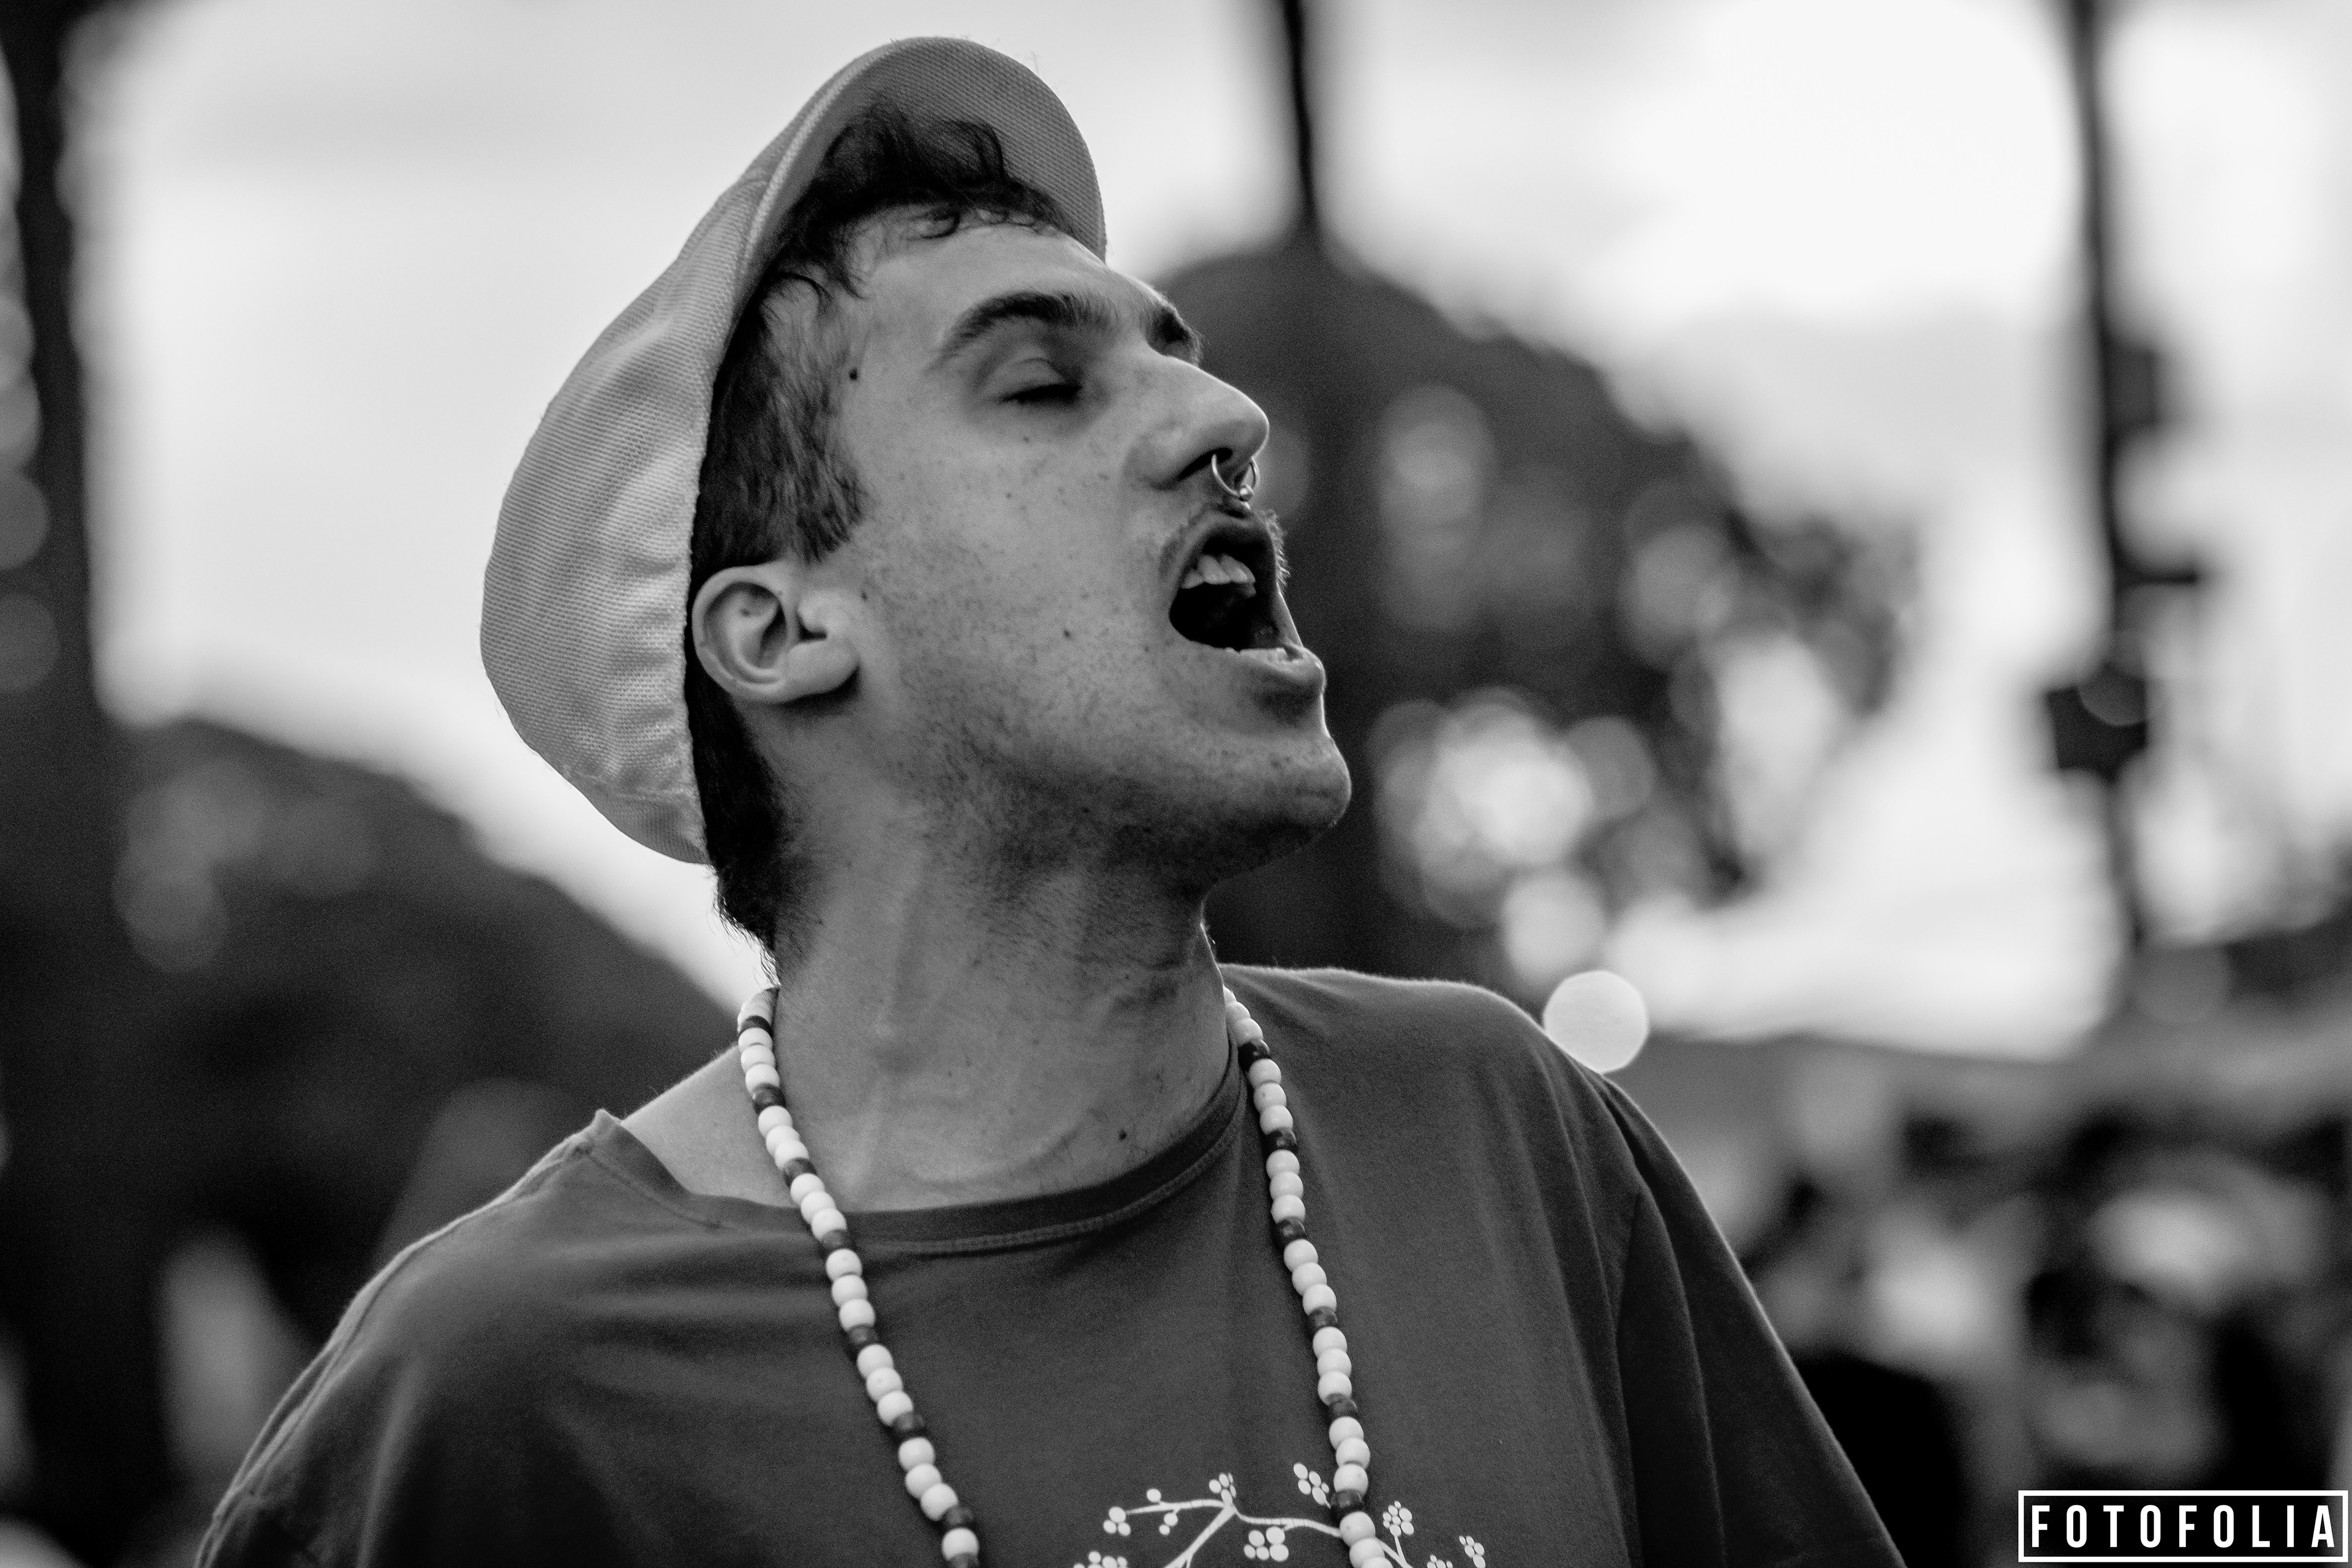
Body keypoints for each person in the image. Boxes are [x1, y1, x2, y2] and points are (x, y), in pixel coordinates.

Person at [199, 38, 1897, 1568]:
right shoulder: (506, 1392)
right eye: (1040, 385)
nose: (1229, 420)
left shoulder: (1503, 1134)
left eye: (1177, 360)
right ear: (780, 633)